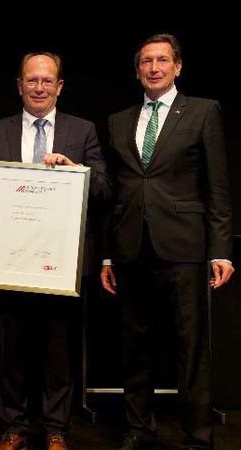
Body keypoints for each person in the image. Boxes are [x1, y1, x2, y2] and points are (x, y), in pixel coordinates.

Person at [0, 52, 110, 450]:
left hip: (60, 264)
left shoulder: (82, 132)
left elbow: (103, 188)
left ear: (60, 86)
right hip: (9, 263)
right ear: (19, 84)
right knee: (10, 349)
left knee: (57, 351)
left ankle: (55, 429)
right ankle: (13, 426)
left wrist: (73, 171)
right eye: (32, 80)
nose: (39, 87)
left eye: (48, 81)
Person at [100, 33, 234, 450]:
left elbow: (218, 187)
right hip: (129, 247)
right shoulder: (118, 121)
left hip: (184, 247)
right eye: (146, 61)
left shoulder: (203, 112)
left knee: (190, 345)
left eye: (162, 60)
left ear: (177, 67)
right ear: (137, 70)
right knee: (134, 343)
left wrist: (220, 250)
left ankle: (198, 435)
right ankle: (139, 427)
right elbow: (117, 192)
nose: (154, 68)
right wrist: (106, 254)